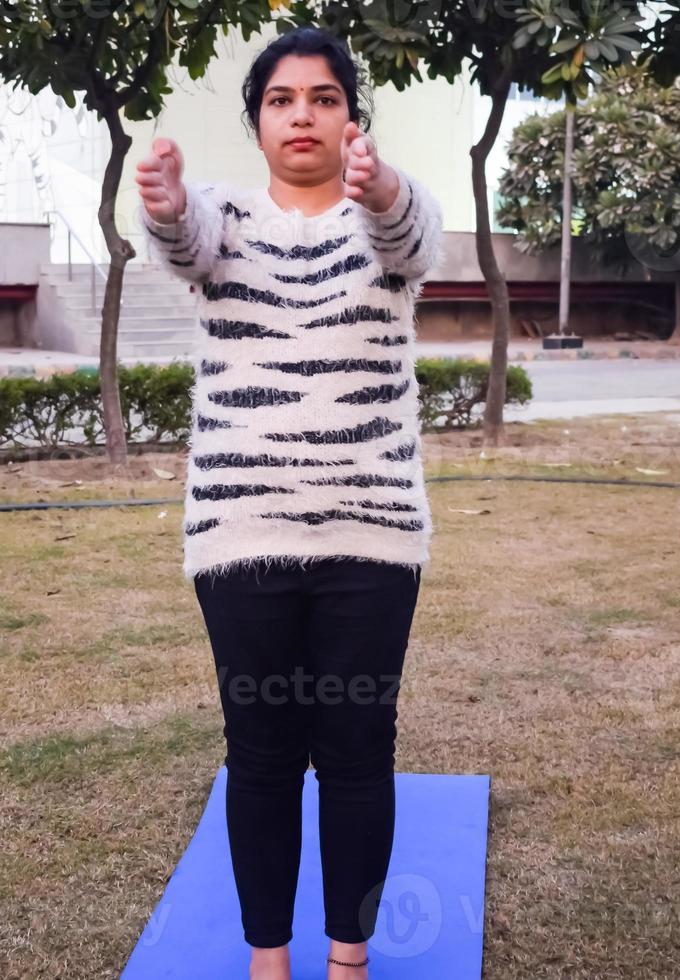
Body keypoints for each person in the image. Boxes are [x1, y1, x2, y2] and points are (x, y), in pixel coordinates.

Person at [134, 25, 443, 980]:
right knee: (261, 752)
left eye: (322, 97)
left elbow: (409, 232)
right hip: (244, 534)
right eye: (280, 99)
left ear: (353, 118)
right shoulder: (222, 216)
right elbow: (181, 244)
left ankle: (348, 960)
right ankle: (269, 960)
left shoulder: (391, 216)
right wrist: (165, 202)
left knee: (356, 747)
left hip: (372, 536)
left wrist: (382, 188)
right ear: (258, 121)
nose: (302, 113)